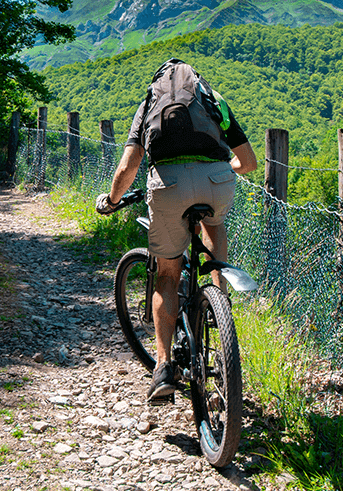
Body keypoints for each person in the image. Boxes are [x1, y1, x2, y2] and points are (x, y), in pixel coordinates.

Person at [96, 59, 257, 404]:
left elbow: (129, 165)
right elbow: (249, 163)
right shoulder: (213, 98)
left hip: (168, 187)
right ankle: (218, 299)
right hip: (218, 182)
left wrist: (111, 201)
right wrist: (217, 170)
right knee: (213, 221)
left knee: (167, 274)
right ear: (194, 80)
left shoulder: (149, 104)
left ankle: (164, 367)